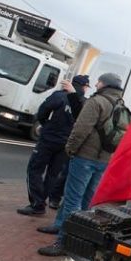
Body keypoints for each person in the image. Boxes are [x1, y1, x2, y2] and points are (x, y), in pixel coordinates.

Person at [38, 73, 124, 256]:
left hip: (85, 157)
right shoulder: (120, 105)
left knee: (72, 199)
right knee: (86, 201)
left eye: (99, 81)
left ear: (104, 84)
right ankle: (69, 231)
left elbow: (80, 129)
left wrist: (70, 149)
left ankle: (63, 242)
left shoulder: (97, 101)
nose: (96, 83)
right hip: (103, 160)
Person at [16, 75, 90, 216]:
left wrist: (47, 126)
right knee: (53, 174)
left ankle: (37, 204)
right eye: (87, 86)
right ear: (83, 86)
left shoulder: (59, 96)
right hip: (65, 143)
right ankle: (40, 202)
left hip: (48, 139)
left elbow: (42, 112)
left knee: (34, 169)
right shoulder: (84, 103)